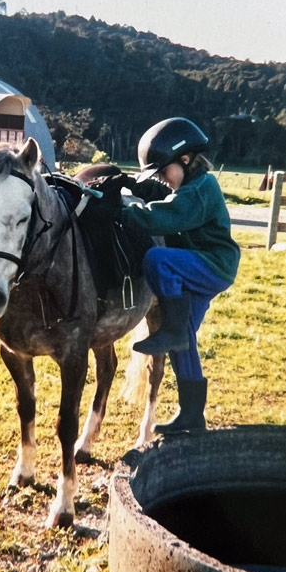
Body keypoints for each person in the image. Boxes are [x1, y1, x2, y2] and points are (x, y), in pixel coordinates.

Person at [121, 117, 240, 434]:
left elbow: (168, 215)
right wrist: (138, 189)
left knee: (157, 259)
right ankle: (191, 414)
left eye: (164, 171)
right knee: (183, 339)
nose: (162, 179)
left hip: (213, 265)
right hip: (201, 266)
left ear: (185, 160)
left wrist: (123, 211)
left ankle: (172, 329)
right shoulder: (190, 186)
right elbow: (171, 203)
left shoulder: (202, 189)